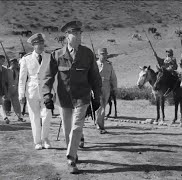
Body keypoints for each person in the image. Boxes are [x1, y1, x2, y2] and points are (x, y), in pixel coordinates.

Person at [42, 21, 102, 174]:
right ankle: (74, 152)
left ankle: (70, 158)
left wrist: (97, 97)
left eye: (80, 33)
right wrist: (47, 95)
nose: (78, 36)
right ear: (67, 36)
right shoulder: (57, 55)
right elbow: (48, 77)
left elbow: (95, 77)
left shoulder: (87, 54)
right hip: (64, 98)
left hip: (82, 97)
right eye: (74, 34)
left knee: (77, 127)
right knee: (68, 129)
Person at [18, 33, 52, 150]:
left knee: (47, 115)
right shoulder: (26, 59)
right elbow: (22, 78)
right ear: (33, 45)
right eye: (38, 44)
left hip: (46, 90)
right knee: (34, 117)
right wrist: (21, 94)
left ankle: (45, 138)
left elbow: (53, 75)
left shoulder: (49, 57)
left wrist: (55, 91)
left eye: (42, 43)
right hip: (32, 91)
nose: (41, 46)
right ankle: (37, 141)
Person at [95, 47, 117, 134]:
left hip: (106, 87)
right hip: (97, 87)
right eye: (102, 54)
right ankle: (100, 125)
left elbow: (113, 77)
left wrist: (114, 88)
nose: (104, 56)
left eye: (105, 54)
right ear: (99, 55)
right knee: (100, 106)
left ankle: (99, 123)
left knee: (103, 106)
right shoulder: (94, 65)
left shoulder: (109, 65)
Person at [0, 55, 9, 124]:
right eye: (2, 60)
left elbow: (6, 81)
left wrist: (5, 91)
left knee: (1, 103)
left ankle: (5, 117)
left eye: (4, 60)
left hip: (1, 88)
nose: (3, 61)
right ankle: (4, 117)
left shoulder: (4, 69)